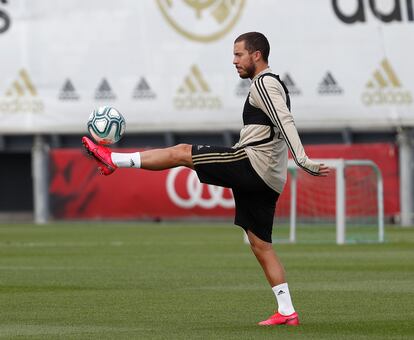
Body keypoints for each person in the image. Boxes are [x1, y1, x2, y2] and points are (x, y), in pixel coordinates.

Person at [82, 32, 330, 326]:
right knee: (260, 244)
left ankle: (114, 160)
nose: (234, 60)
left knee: (182, 152)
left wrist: (302, 159)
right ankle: (287, 311)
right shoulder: (265, 83)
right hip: (270, 178)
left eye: (239, 54)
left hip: (253, 164)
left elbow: (284, 119)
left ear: (257, 55)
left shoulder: (264, 82)